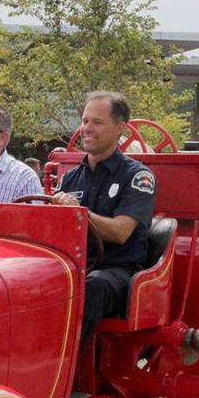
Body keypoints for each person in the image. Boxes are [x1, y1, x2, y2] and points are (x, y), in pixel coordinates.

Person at [51, 91, 156, 341]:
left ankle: (65, 362)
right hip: (75, 266)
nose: (87, 128)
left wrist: (78, 213)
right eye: (85, 121)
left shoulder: (138, 177)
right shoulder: (70, 177)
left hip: (116, 270)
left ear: (120, 128)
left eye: (97, 122)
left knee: (94, 285)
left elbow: (120, 232)